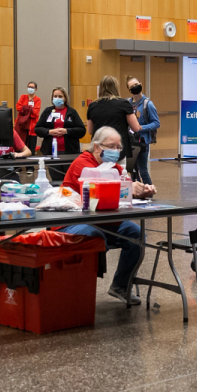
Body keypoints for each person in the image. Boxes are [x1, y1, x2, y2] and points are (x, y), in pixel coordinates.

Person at [60, 127, 157, 306]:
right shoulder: (83, 164)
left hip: (102, 220)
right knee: (93, 235)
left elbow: (125, 184)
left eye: (119, 147)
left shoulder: (113, 167)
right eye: (111, 146)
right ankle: (78, 293)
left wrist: (142, 191)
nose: (116, 151)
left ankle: (120, 285)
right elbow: (100, 189)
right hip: (72, 221)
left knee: (136, 235)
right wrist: (126, 188)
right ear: (96, 147)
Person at [86, 76, 141, 175]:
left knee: (100, 178)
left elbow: (90, 130)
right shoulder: (124, 104)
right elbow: (136, 128)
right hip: (117, 150)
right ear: (116, 87)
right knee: (118, 178)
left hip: (100, 150)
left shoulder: (92, 106)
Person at [35, 87, 87, 160]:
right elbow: (37, 129)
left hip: (69, 151)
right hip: (50, 151)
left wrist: (66, 131)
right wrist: (49, 132)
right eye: (55, 96)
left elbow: (81, 130)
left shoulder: (71, 112)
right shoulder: (47, 111)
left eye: (60, 96)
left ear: (65, 98)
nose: (57, 98)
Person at [127, 76, 160, 184]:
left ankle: (149, 191)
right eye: (132, 86)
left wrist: (141, 128)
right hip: (129, 141)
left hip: (142, 141)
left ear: (141, 84)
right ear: (129, 90)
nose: (135, 87)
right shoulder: (127, 103)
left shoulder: (147, 104)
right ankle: (135, 193)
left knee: (142, 170)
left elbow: (156, 123)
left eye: (136, 84)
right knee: (130, 170)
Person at [15, 83, 42, 154]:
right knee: (19, 148)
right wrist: (30, 109)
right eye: (29, 87)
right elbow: (18, 107)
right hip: (22, 127)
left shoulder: (38, 99)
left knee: (31, 149)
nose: (30, 88)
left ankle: (30, 165)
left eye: (32, 87)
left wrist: (25, 109)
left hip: (32, 128)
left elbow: (35, 113)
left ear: (36, 89)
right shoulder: (23, 97)